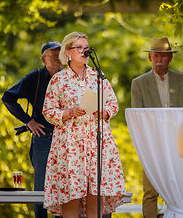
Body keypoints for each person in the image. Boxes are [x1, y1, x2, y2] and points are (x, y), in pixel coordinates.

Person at [42, 31, 126, 218]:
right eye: (79, 47)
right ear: (68, 52)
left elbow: (112, 103)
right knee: (72, 195)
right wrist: (68, 112)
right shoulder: (59, 79)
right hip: (70, 145)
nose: (84, 51)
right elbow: (48, 111)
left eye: (86, 48)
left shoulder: (99, 77)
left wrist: (105, 112)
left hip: (96, 142)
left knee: (94, 193)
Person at [131, 37, 183, 218]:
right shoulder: (139, 83)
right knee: (150, 192)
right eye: (156, 55)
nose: (159, 59)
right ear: (149, 57)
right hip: (152, 144)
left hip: (177, 143)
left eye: (164, 56)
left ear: (170, 58)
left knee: (178, 190)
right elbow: (137, 117)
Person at [2, 41, 62, 218]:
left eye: (61, 54)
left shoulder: (68, 77)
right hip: (43, 137)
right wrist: (29, 121)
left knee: (64, 185)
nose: (59, 58)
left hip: (65, 138)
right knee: (41, 187)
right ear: (44, 59)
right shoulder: (34, 78)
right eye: (54, 55)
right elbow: (8, 98)